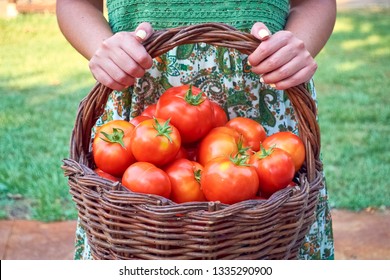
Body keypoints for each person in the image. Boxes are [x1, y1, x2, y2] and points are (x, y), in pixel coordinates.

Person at [56, 0, 336, 260]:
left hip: (266, 108)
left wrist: (299, 45)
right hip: (140, 114)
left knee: (272, 239)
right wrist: (102, 47)